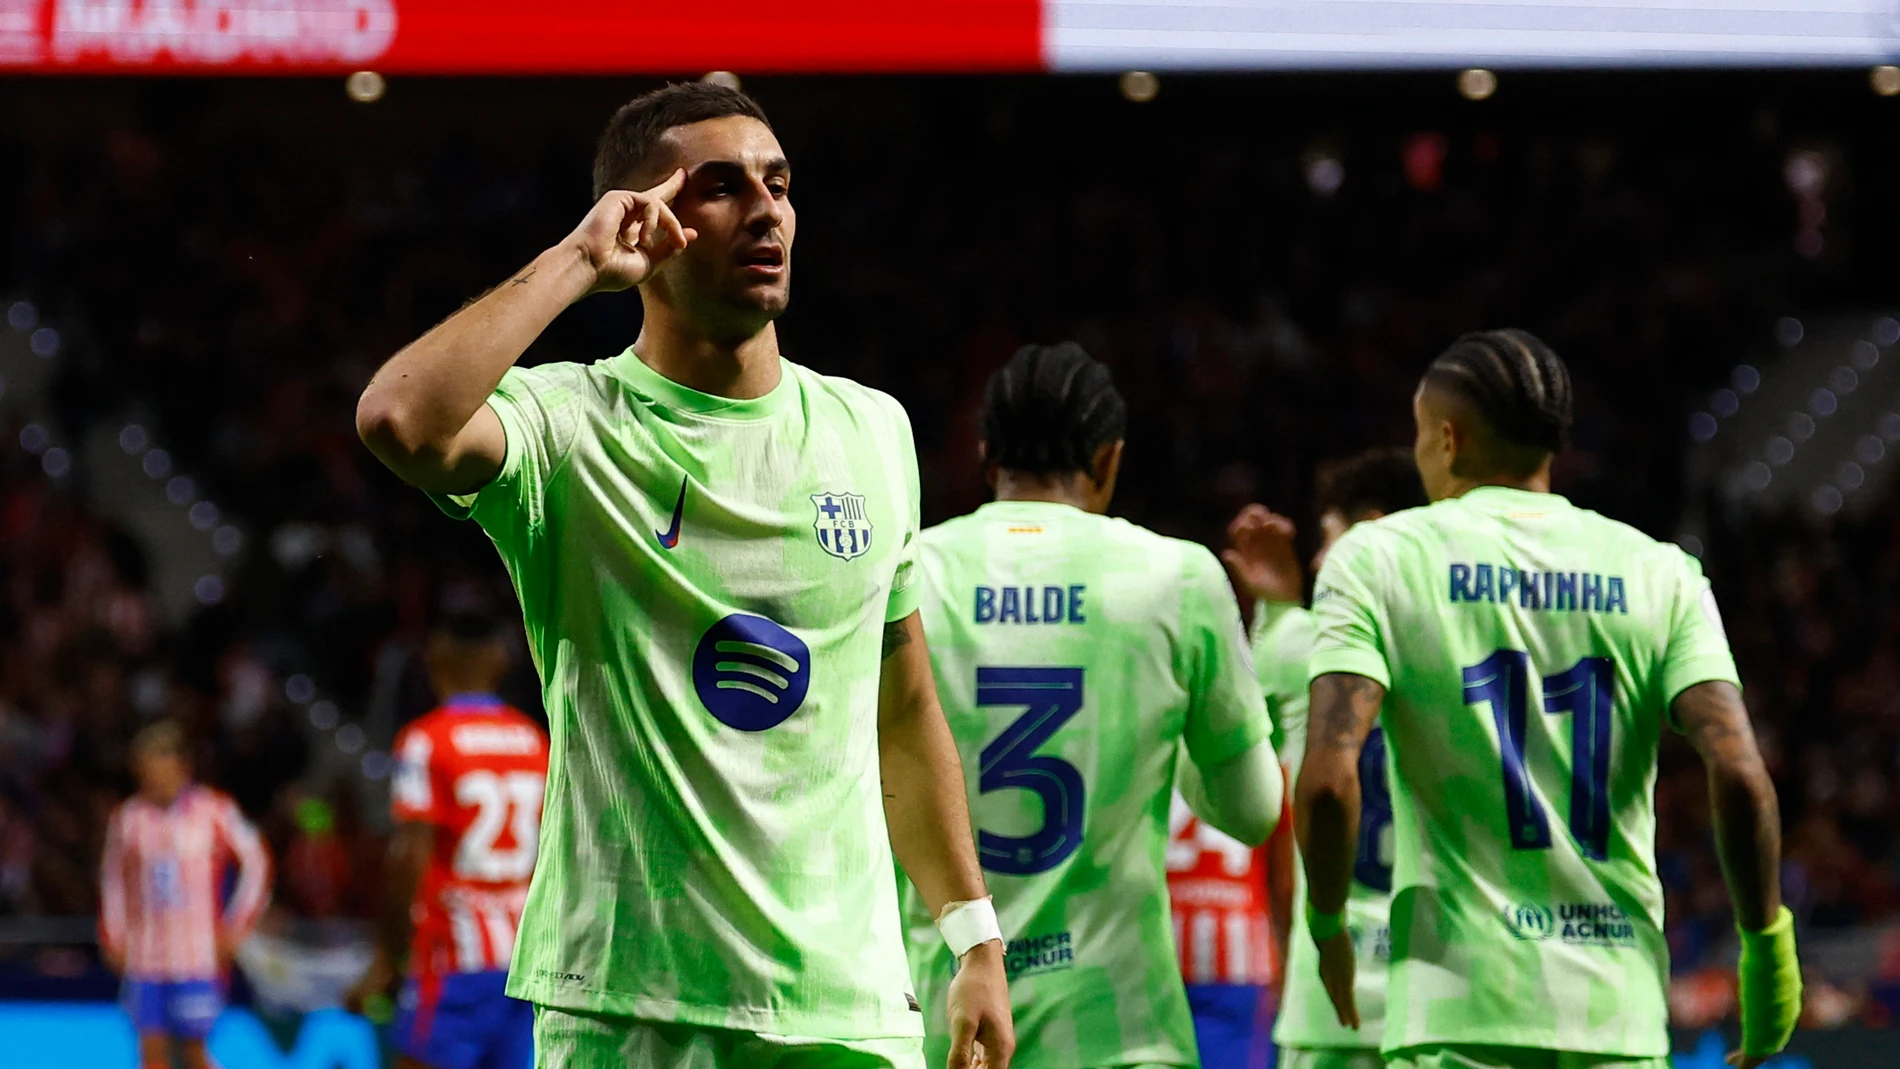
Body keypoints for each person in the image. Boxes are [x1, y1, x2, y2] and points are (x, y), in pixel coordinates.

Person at [354, 82, 1013, 1069]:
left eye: (779, 183)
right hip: (629, 1005)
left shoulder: (873, 430)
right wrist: (580, 260)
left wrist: (974, 937)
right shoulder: (570, 427)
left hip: (844, 1008)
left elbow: (903, 706)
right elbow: (399, 419)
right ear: (646, 219)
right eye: (720, 186)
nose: (766, 208)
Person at [1294, 330, 1802, 1069]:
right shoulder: (1660, 570)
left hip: (1455, 1010)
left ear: (1447, 437)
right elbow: (1741, 774)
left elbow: (1329, 782)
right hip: (1615, 1017)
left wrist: (1329, 923)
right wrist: (1766, 951)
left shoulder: (1378, 559)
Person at [904, 342, 1283, 1069]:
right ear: (1108, 460)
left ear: (987, 457)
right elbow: (1254, 810)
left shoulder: (908, 566)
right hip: (1122, 1032)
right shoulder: (1177, 574)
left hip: (945, 1030)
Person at [1213, 449, 1426, 1069]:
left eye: (1328, 538)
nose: (1316, 558)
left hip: (1330, 1006)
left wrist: (1277, 613)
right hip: (1444, 1008)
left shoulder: (1301, 647)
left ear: (1369, 535)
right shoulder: (1463, 648)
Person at [347, 608, 550, 1069]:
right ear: (500, 662)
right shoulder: (534, 741)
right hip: (523, 958)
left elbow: (408, 859)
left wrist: (385, 959)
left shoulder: (427, 741)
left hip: (454, 955)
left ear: (435, 660)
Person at [100, 720, 272, 1069]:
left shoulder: (215, 811)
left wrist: (238, 924)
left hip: (197, 956)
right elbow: (113, 880)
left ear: (182, 767)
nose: (154, 781)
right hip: (145, 955)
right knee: (151, 1055)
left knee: (195, 1055)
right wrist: (113, 935)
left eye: (161, 770)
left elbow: (257, 863)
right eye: (146, 772)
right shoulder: (128, 818)